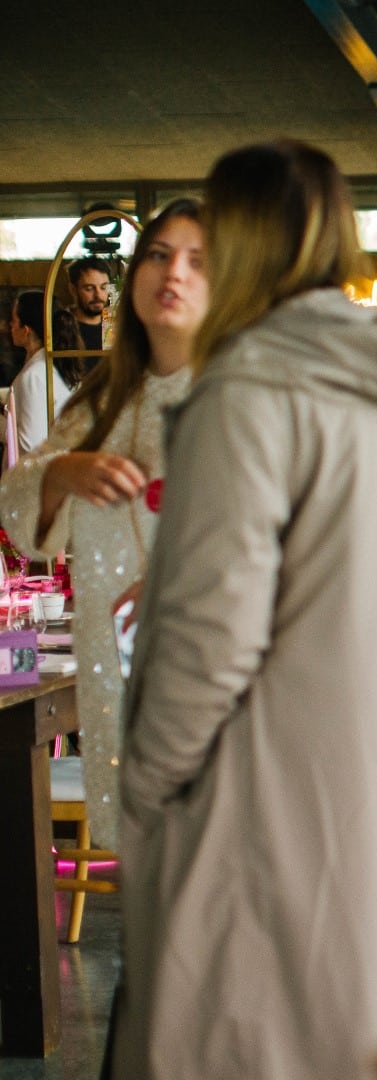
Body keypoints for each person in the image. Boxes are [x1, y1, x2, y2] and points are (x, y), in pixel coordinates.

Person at [111, 141, 377, 1079]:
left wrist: (145, 785)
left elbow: (212, 634)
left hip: (278, 781)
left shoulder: (247, 392)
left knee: (265, 1028)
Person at [0, 198, 205, 855]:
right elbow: (23, 521)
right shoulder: (101, 401)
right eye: (158, 254)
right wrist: (62, 475)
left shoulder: (255, 396)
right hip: (122, 691)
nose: (173, 272)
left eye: (196, 260)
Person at [8, 290, 79, 454]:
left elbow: (30, 443)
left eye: (13, 321)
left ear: (26, 330)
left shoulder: (34, 376)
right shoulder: (48, 366)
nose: (10, 326)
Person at [67, 257, 113, 352]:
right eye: (89, 288)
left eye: (103, 287)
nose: (98, 295)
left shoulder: (114, 327)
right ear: (73, 289)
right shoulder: (63, 328)